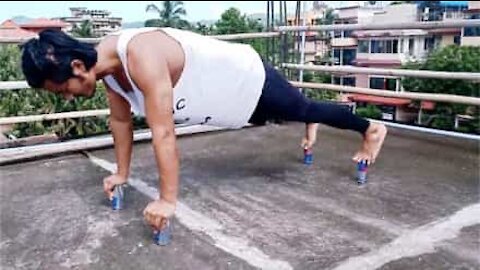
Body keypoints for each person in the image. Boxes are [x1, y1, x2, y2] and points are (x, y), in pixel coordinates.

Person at [21, 27, 387, 232]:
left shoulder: (140, 56)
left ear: (76, 67)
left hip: (245, 78)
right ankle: (309, 122)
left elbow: (163, 133)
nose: (66, 98)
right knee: (287, 114)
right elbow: (120, 121)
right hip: (225, 104)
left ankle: (370, 128)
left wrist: (167, 199)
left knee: (302, 108)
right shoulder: (108, 73)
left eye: (61, 90)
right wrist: (122, 173)